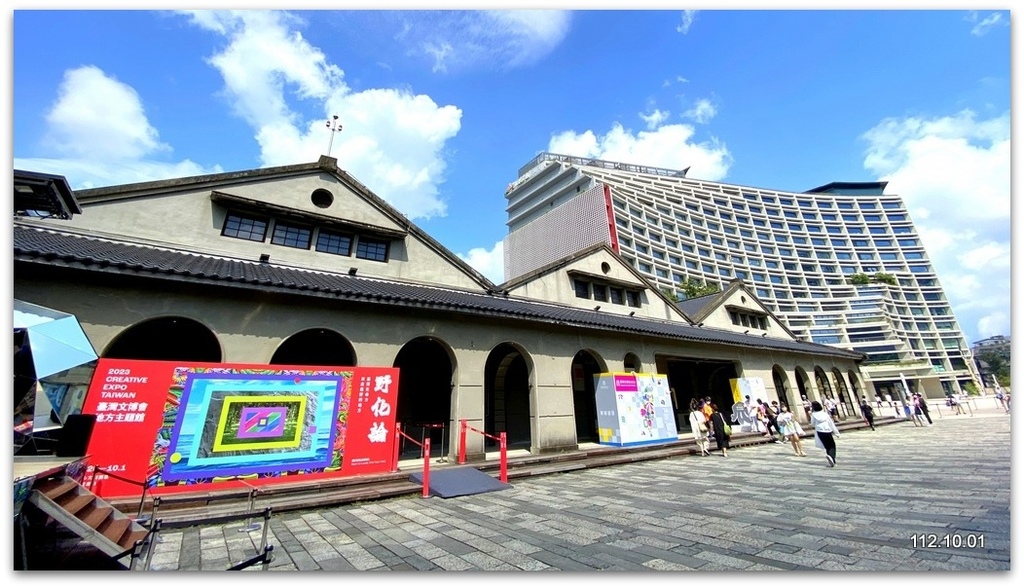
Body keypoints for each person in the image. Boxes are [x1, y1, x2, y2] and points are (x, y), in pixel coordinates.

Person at [809, 400, 840, 467]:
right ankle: (832, 458)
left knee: (826, 445)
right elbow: (831, 423)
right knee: (832, 445)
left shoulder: (813, 415)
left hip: (820, 431)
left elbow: (812, 423)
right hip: (827, 430)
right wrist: (836, 432)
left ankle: (830, 456)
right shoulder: (824, 414)